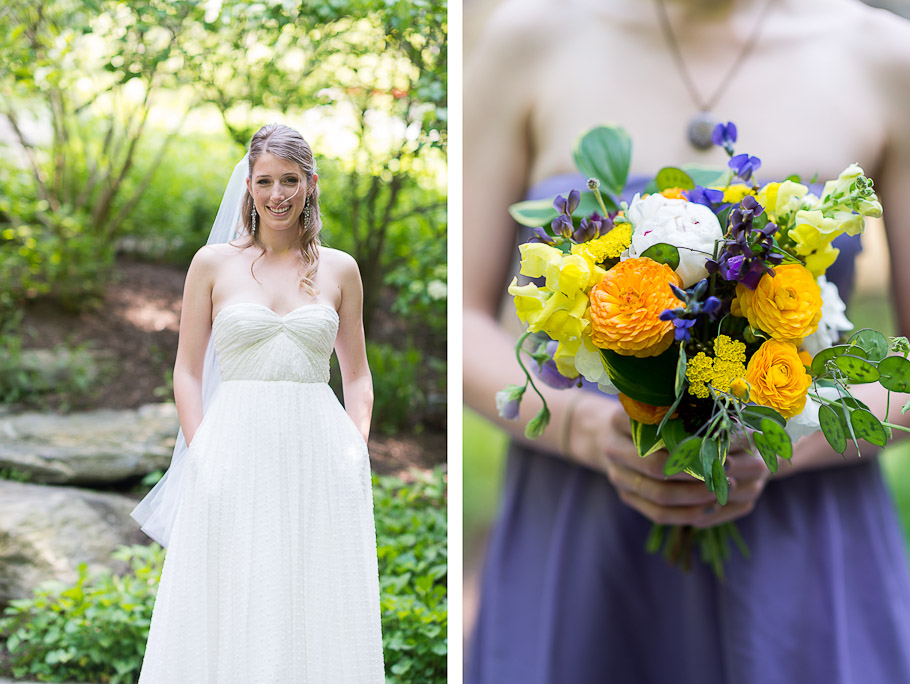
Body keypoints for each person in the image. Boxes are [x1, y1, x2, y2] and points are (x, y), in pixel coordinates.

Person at [464, 0, 910, 682]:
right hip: (582, 531)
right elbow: (463, 316)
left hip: (803, 544)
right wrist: (584, 430)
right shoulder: (528, 37)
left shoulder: (884, 56)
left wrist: (774, 441)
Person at [131, 123, 384, 682]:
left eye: (290, 180)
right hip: (231, 450)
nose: (277, 195)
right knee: (230, 593)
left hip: (318, 452)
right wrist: (201, 454)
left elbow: (358, 375)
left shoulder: (340, 269)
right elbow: (187, 371)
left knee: (309, 592)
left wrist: (354, 448)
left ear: (310, 184)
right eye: (265, 181)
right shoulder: (212, 264)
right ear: (248, 186)